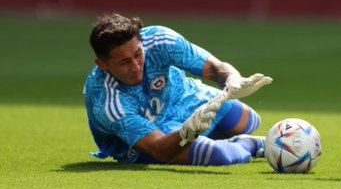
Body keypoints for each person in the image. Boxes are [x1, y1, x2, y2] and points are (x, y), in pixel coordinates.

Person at [83, 13, 272, 166]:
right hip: (150, 132)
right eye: (124, 62)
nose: (135, 66)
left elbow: (215, 68)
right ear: (102, 65)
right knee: (217, 156)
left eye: (138, 54)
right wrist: (187, 133)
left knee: (249, 120)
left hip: (180, 99)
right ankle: (251, 144)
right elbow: (159, 149)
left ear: (141, 40)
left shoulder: (160, 40)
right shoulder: (107, 102)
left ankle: (206, 142)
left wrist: (232, 79)